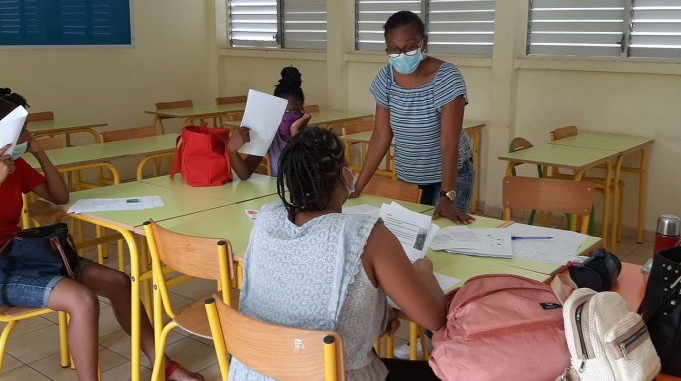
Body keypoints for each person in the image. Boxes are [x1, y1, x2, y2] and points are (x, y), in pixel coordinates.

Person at [0, 90, 202, 381]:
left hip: (25, 255)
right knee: (82, 300)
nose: (27, 136)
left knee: (118, 282)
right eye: (22, 130)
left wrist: (40, 152)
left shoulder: (15, 165)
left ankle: (163, 364)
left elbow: (59, 195)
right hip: (5, 269)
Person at [228, 127, 446, 380]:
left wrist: (379, 313)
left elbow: (305, 295)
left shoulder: (267, 218)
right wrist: (424, 271)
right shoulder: (368, 235)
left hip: (253, 372)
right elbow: (434, 318)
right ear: (346, 176)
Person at [352, 11, 475, 225]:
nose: (401, 55)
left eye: (409, 48)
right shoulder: (386, 78)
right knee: (409, 236)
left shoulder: (446, 77)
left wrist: (447, 196)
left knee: (443, 235)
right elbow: (381, 136)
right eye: (393, 49)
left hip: (448, 178)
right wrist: (357, 187)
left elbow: (449, 141)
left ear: (423, 42)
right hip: (409, 177)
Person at [228, 66, 311, 179]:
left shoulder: (312, 137)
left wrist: (296, 133)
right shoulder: (271, 134)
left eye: (294, 112)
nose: (286, 117)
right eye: (282, 111)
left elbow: (307, 175)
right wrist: (232, 150)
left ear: (303, 112)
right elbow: (244, 173)